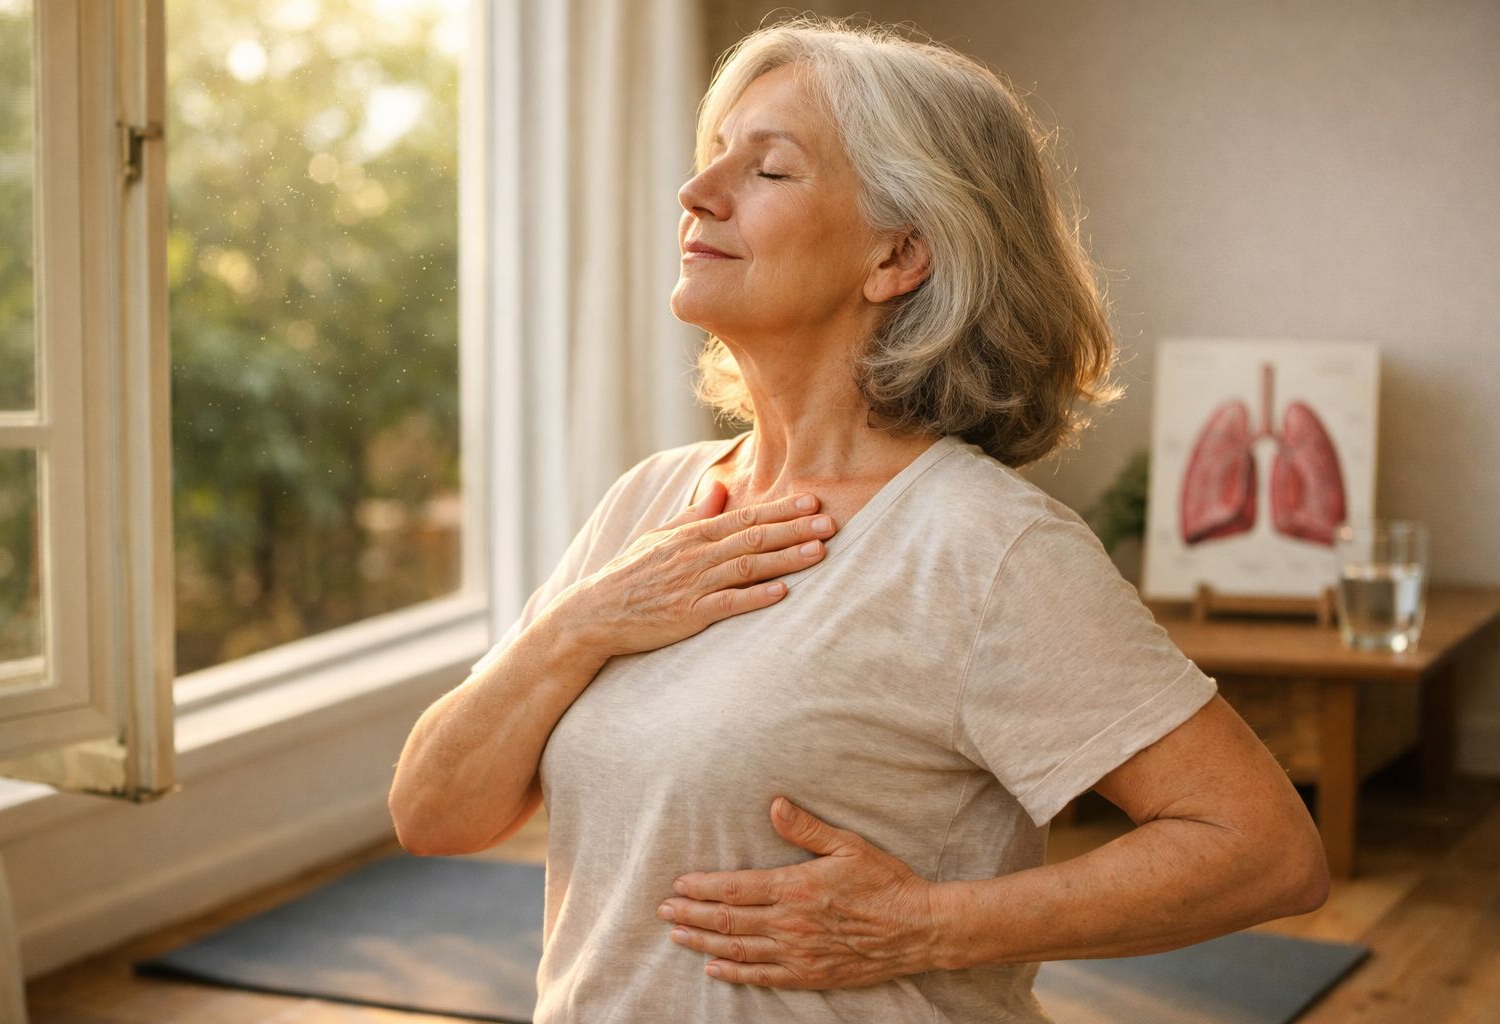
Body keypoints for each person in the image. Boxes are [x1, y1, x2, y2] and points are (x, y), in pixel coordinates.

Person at [389, 17, 1330, 1023]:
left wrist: (925, 926)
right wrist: (581, 622)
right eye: (714, 158)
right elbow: (434, 811)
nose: (696, 194)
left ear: (898, 255)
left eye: (770, 171)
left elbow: (1264, 849)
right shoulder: (649, 502)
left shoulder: (983, 546)